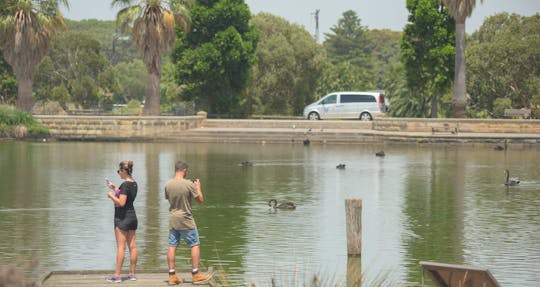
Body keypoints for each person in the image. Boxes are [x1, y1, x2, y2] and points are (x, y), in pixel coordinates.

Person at [165, 161, 213, 285]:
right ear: (184, 170)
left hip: (173, 218)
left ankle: (171, 275)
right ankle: (196, 274)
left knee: (172, 245)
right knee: (195, 244)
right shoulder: (188, 184)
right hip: (186, 218)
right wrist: (198, 187)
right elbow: (200, 200)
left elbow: (169, 198)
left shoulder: (168, 184)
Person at [106, 160, 138, 283]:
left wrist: (111, 196)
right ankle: (132, 274)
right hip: (132, 217)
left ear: (124, 171)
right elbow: (127, 198)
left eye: (119, 170)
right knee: (133, 247)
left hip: (122, 218)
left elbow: (121, 202)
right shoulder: (134, 183)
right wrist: (115, 189)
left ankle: (117, 276)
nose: (118, 172)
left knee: (121, 247)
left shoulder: (125, 185)